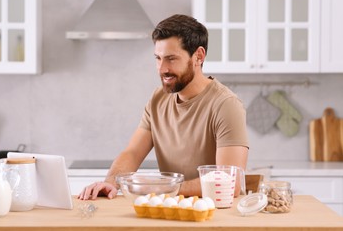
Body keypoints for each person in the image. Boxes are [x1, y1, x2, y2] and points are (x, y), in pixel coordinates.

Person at [78, 14, 249, 200]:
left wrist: (161, 188)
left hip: (215, 219)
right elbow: (133, 152)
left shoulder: (226, 105)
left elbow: (229, 182)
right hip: (170, 211)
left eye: (171, 59)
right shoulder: (158, 99)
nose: (162, 68)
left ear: (198, 56)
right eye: (158, 58)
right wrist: (111, 182)